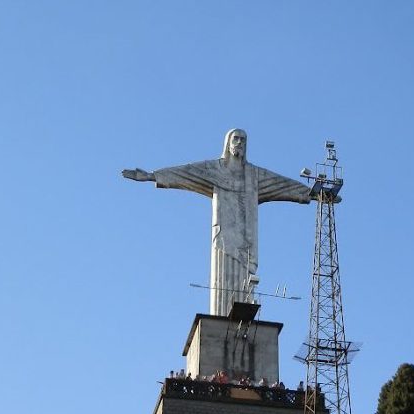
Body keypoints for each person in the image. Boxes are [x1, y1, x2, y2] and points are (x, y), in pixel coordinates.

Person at [122, 129, 315, 316]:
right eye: (236, 139)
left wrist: (310, 194)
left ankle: (240, 316)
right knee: (223, 278)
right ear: (228, 143)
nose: (239, 143)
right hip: (224, 237)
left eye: (243, 140)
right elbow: (186, 173)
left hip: (246, 240)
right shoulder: (214, 169)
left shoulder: (254, 176)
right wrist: (152, 175)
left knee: (245, 280)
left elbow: (280, 184)